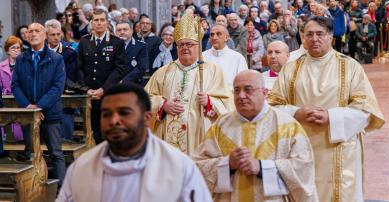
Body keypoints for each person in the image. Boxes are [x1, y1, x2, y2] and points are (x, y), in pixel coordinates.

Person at [268, 16, 385, 202]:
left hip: (339, 148)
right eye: (309, 34)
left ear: (331, 37)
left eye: (320, 34)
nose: (314, 39)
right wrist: (296, 112)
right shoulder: (290, 69)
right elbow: (271, 107)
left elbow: (366, 109)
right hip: (299, 148)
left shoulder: (350, 66)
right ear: (303, 38)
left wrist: (332, 117)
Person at [56, 83, 212, 202]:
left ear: (146, 118)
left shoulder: (180, 167)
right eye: (106, 114)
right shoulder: (82, 167)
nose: (114, 120)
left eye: (124, 113)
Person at [193, 70, 318, 202]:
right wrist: (228, 164)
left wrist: (262, 168)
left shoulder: (288, 126)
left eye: (248, 90)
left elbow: (304, 170)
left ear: (264, 93)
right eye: (236, 90)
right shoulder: (220, 126)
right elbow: (198, 167)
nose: (241, 96)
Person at [145, 14, 234, 155]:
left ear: (199, 46)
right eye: (181, 44)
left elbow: (228, 105)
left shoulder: (212, 71)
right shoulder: (163, 72)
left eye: (190, 44)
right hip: (167, 138)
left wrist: (210, 102)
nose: (185, 48)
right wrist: (162, 105)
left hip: (199, 138)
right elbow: (144, 99)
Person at [11, 22, 66, 183]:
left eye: (37, 31)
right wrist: (28, 106)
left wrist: (39, 106)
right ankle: (32, 190)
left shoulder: (56, 58)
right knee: (30, 152)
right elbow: (15, 84)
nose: (33, 34)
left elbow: (58, 86)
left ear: (44, 34)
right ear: (26, 36)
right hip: (28, 113)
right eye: (30, 31)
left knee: (55, 152)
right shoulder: (21, 58)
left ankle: (63, 191)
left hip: (50, 113)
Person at [77, 8, 126, 144]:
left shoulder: (117, 42)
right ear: (92, 23)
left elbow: (119, 69)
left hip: (108, 94)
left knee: (110, 132)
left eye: (102, 20)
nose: (99, 23)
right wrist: (86, 89)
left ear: (107, 23)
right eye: (96, 20)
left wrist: (103, 89)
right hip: (90, 95)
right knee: (93, 133)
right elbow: (79, 67)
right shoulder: (84, 41)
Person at [45, 19, 79, 140]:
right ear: (46, 35)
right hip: (43, 96)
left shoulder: (69, 52)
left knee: (64, 135)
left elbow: (69, 77)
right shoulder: (40, 52)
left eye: (58, 34)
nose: (56, 37)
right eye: (52, 34)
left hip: (63, 94)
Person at [203, 25, 248, 89]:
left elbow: (243, 82)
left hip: (230, 97)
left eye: (218, 34)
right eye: (212, 35)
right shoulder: (202, 57)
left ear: (226, 38)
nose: (214, 37)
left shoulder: (238, 58)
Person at [0, 36, 24, 142]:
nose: (16, 50)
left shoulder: (25, 65)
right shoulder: (1, 66)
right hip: (5, 99)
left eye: (18, 48)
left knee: (19, 124)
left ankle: (19, 144)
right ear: (7, 51)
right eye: (13, 48)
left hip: (20, 99)